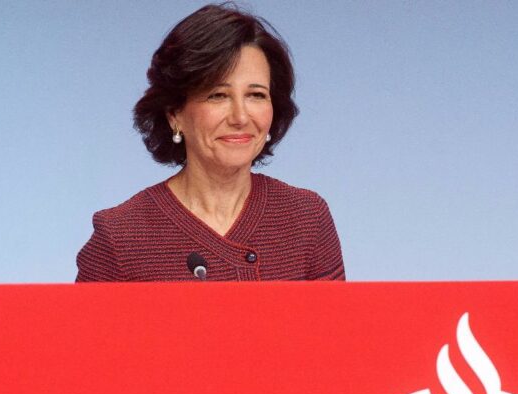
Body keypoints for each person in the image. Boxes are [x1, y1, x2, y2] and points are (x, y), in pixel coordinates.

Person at [76, 4, 344, 281]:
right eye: (218, 95)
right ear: (175, 114)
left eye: (256, 95)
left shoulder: (307, 218)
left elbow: (339, 325)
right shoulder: (120, 237)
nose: (241, 117)